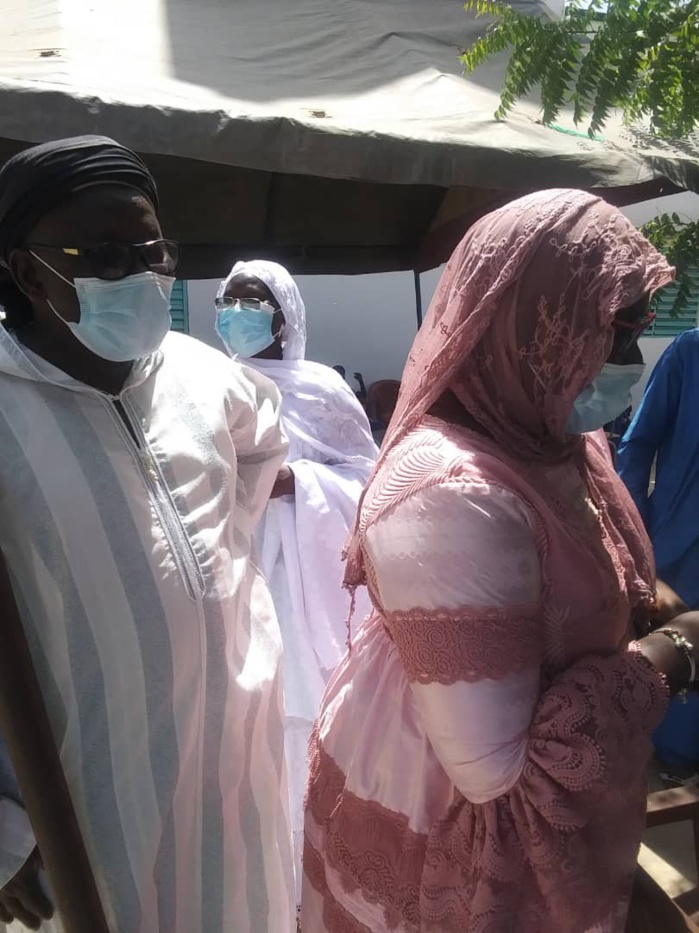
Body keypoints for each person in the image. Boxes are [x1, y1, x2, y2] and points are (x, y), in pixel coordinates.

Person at [301, 189, 699, 932]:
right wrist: (675, 653)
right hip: (449, 812)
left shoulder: (552, 433)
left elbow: (589, 559)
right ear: (526, 320)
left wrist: (643, 601)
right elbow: (499, 771)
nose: (629, 361)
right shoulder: (451, 495)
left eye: (638, 330)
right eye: (612, 332)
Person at [0, 137, 295, 932]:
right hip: (87, 820)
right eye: (103, 255)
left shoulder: (205, 375)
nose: (139, 274)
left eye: (151, 250)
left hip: (238, 783)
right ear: (30, 273)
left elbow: (262, 445)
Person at [215, 259, 378, 899]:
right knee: (245, 728)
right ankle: (266, 883)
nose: (236, 313)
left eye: (252, 302)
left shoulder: (321, 390)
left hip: (303, 585)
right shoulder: (208, 385)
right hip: (234, 571)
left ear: (284, 317)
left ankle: (319, 876)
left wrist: (295, 484)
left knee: (304, 721)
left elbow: (368, 483)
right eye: (228, 301)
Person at [618, 331, 699, 783]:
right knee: (679, 649)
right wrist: (636, 527)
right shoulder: (690, 352)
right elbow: (639, 441)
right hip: (681, 543)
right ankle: (674, 762)